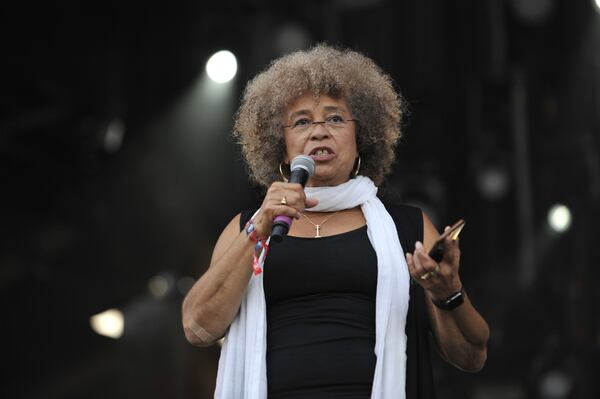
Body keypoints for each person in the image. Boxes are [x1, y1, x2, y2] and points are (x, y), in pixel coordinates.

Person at [182, 44, 489, 398]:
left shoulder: (407, 228)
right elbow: (197, 327)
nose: (319, 131)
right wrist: (257, 231)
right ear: (281, 147)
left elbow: (472, 355)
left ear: (362, 140)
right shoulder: (248, 226)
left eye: (335, 118)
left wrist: (447, 292)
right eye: (301, 121)